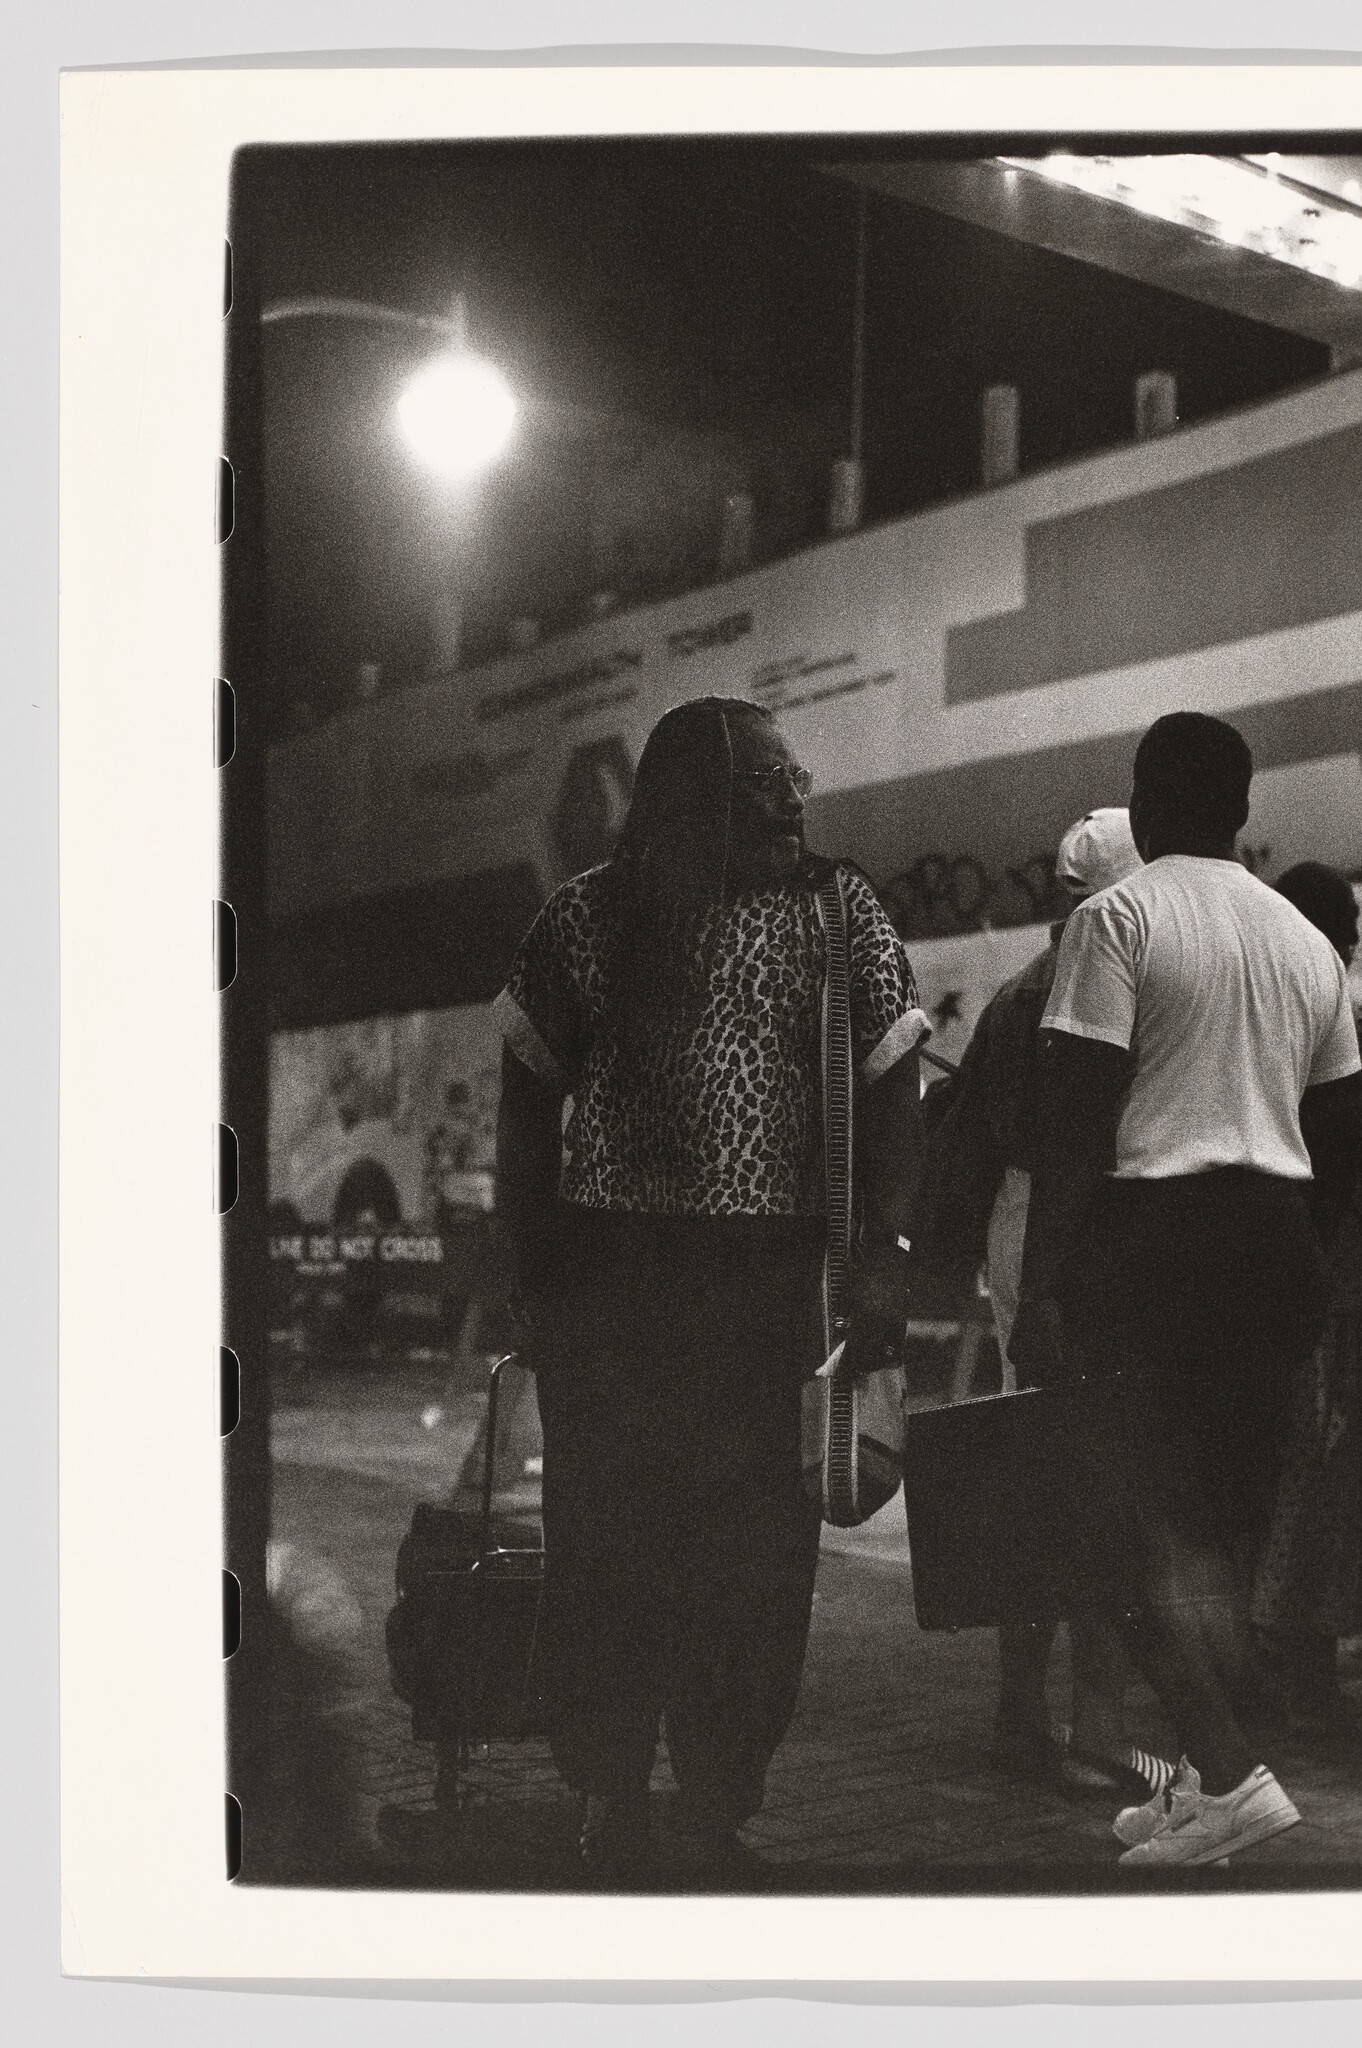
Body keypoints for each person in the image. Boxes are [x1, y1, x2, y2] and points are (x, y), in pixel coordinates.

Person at [493, 695, 927, 1882]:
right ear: (699, 790)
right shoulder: (586, 917)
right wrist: (529, 1272)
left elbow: (898, 1089)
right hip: (612, 1280)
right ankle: (611, 1785)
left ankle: (718, 1790)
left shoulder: (839, 915)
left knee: (756, 1560)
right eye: (767, 779)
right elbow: (525, 1104)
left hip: (769, 1286)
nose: (797, 796)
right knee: (610, 1547)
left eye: (796, 777)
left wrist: (881, 1258)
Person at [1010, 713, 1362, 1868]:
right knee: (1220, 1544)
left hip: (1156, 1250)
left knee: (1109, 1538)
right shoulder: (1308, 944)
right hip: (1275, 1254)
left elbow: (1077, 1123)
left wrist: (1042, 1286)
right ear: (1245, 812)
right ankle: (1213, 1791)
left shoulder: (1120, 916)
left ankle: (1228, 1775)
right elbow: (1343, 1146)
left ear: (1146, 803)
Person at [913, 809, 1173, 1804]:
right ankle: (1087, 1731)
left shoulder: (1029, 991)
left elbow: (972, 1145)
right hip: (1069, 1247)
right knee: (1093, 1484)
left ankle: (1028, 1719)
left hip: (1037, 1243)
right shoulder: (1077, 992)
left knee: (1049, 1476)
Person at [1249, 862, 1362, 1713]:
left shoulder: (1254, 1015)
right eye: (1347, 919)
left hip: (1258, 1267)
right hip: (1344, 1276)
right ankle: (1305, 1651)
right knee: (1329, 1467)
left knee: (1274, 1460)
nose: (1353, 933)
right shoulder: (1358, 1019)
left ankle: (1264, 1640)